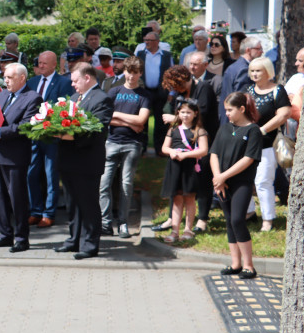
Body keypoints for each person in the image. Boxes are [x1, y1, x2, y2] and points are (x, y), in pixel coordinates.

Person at [55, 64, 114, 259]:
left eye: (75, 80)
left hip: (87, 161)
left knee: (88, 203)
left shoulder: (102, 99)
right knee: (72, 203)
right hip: (69, 160)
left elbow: (96, 130)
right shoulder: (74, 99)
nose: (72, 85)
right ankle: (74, 240)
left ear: (87, 78)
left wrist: (66, 136)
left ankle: (90, 244)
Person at [0, 63, 42, 253]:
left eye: (9, 77)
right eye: (5, 77)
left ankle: (21, 238)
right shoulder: (2, 94)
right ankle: (4, 234)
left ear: (22, 78)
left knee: (17, 198)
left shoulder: (32, 97)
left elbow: (25, 126)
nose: (6, 80)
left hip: (15, 156)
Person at [211, 92, 263, 279]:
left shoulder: (253, 131)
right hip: (222, 182)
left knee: (237, 220)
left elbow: (248, 159)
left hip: (241, 182)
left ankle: (249, 265)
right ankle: (236, 263)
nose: (227, 114)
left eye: (230, 110)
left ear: (242, 109)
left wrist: (223, 176)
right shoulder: (224, 128)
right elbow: (214, 153)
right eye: (225, 110)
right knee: (229, 220)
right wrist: (218, 178)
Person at [99, 56, 150, 238]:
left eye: (135, 73)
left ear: (140, 73)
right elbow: (105, 117)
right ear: (124, 72)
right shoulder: (114, 92)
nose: (131, 76)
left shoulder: (144, 95)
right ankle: (105, 223)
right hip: (112, 141)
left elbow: (141, 120)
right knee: (104, 184)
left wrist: (118, 116)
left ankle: (123, 223)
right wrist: (130, 123)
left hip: (132, 144)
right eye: (129, 72)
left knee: (126, 185)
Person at [26, 51, 73, 228]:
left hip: (52, 137)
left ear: (54, 65)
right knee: (31, 173)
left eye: (45, 63)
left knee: (50, 174)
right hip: (33, 135)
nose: (41, 66)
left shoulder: (64, 82)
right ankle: (35, 210)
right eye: (39, 63)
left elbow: (65, 108)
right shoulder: (32, 82)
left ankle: (48, 213)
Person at [246, 56, 291, 232]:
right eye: (252, 70)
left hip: (268, 144)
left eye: (259, 70)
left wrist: (262, 130)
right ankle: (249, 213)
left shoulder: (278, 90)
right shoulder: (248, 90)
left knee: (263, 182)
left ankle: (268, 219)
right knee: (245, 180)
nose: (255, 74)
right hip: (248, 143)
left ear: (268, 72)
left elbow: (283, 114)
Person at [159, 100, 209, 243]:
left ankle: (188, 229)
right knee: (176, 198)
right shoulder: (173, 130)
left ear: (195, 114)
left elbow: (204, 150)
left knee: (189, 198)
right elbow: (164, 148)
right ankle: (175, 230)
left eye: (188, 112)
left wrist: (185, 155)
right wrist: (172, 152)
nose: (185, 115)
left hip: (190, 168)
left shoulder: (199, 131)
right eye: (182, 112)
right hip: (175, 167)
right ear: (178, 113)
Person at [139, 27, 174, 152]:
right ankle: (142, 148)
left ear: (157, 42)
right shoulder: (140, 54)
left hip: (161, 92)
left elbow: (171, 74)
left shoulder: (166, 56)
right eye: (145, 40)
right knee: (142, 121)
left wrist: (172, 92)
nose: (146, 42)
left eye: (149, 40)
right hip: (145, 91)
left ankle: (159, 149)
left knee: (160, 121)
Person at [219, 35, 262, 125]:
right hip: (236, 121)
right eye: (258, 49)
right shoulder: (245, 69)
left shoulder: (233, 66)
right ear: (248, 50)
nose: (262, 52)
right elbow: (240, 98)